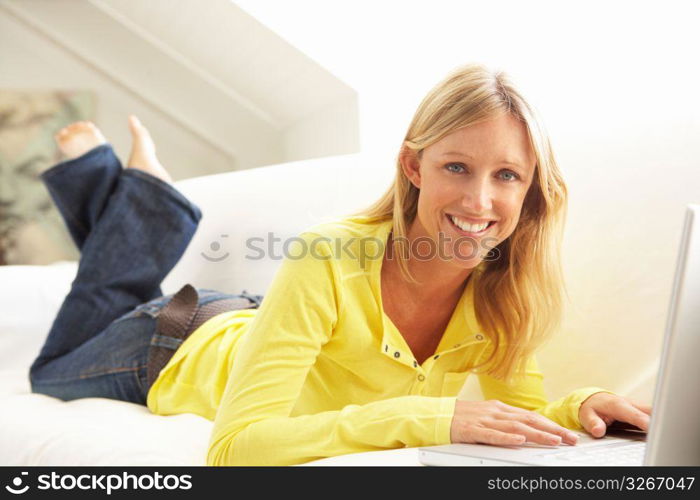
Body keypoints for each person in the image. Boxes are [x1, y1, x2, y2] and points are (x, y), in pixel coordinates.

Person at [29, 63, 652, 466]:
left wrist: (581, 406)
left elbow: (516, 418)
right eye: (456, 167)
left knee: (120, 289)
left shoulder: (504, 292)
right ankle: (144, 198)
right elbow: (233, 449)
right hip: (168, 344)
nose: (478, 201)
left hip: (253, 319)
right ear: (414, 167)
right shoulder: (328, 253)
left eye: (507, 175)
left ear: (529, 189)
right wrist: (428, 417)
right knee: (51, 369)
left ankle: (121, 191)